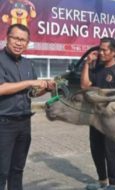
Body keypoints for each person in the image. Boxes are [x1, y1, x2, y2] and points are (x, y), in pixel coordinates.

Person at [0, 24, 55, 190]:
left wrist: (45, 88)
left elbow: (31, 93)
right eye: (15, 38)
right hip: (3, 124)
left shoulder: (28, 64)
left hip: (24, 123)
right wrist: (30, 82)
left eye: (23, 40)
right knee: (1, 171)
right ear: (6, 38)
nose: (19, 43)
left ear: (27, 43)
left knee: (17, 169)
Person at [81, 37, 115, 190]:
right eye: (99, 49)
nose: (100, 52)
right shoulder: (98, 68)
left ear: (113, 52)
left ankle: (112, 185)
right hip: (95, 117)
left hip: (111, 119)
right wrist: (87, 64)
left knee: (110, 151)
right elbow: (85, 85)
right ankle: (102, 181)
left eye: (104, 50)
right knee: (96, 149)